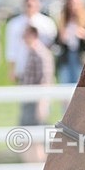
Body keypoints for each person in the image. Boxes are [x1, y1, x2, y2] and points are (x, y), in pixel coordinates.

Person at [19, 25, 55, 162]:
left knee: (35, 138)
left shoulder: (41, 54)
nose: (23, 38)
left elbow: (45, 81)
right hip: (29, 100)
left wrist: (42, 103)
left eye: (25, 35)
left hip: (36, 102)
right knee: (27, 137)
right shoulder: (32, 52)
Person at [5, 0, 57, 85]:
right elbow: (12, 48)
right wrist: (11, 70)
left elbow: (52, 46)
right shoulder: (14, 24)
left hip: (42, 67)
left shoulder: (47, 23)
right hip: (23, 66)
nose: (30, 6)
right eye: (28, 3)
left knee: (42, 97)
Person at [55, 0, 85, 84]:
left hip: (80, 58)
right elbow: (56, 42)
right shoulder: (63, 20)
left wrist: (84, 36)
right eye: (71, 2)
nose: (73, 5)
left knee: (79, 85)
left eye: (75, 2)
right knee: (65, 85)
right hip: (66, 57)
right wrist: (61, 38)